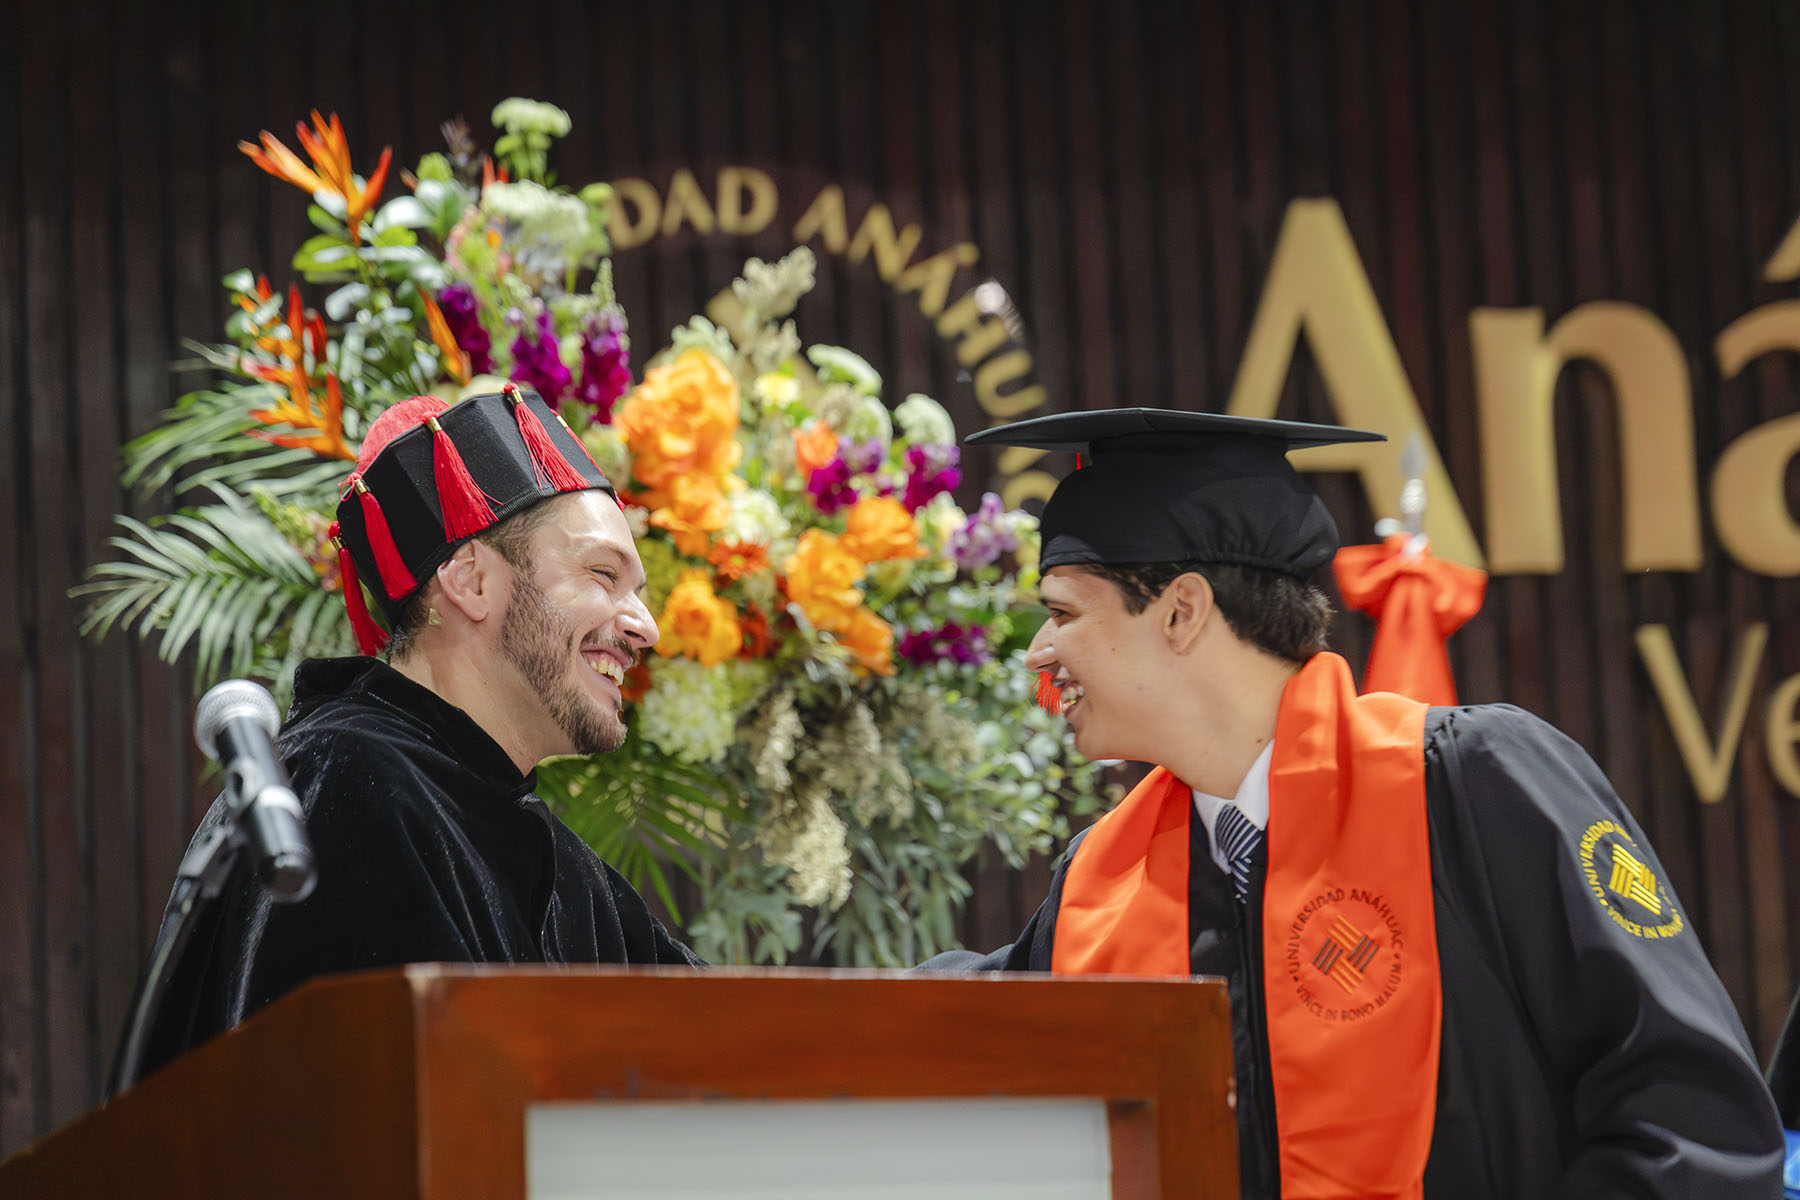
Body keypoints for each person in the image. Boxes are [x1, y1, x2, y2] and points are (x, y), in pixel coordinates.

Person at [930, 408, 1783, 1198]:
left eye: (1062, 612)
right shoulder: (1099, 884)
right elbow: (944, 1039)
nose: (1041, 651)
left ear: (1182, 612)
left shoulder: (1474, 785)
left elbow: (1696, 1127)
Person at [127, 385, 698, 1081]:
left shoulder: (565, 866)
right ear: (471, 582)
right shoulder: (345, 784)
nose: (647, 626)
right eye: (603, 574)